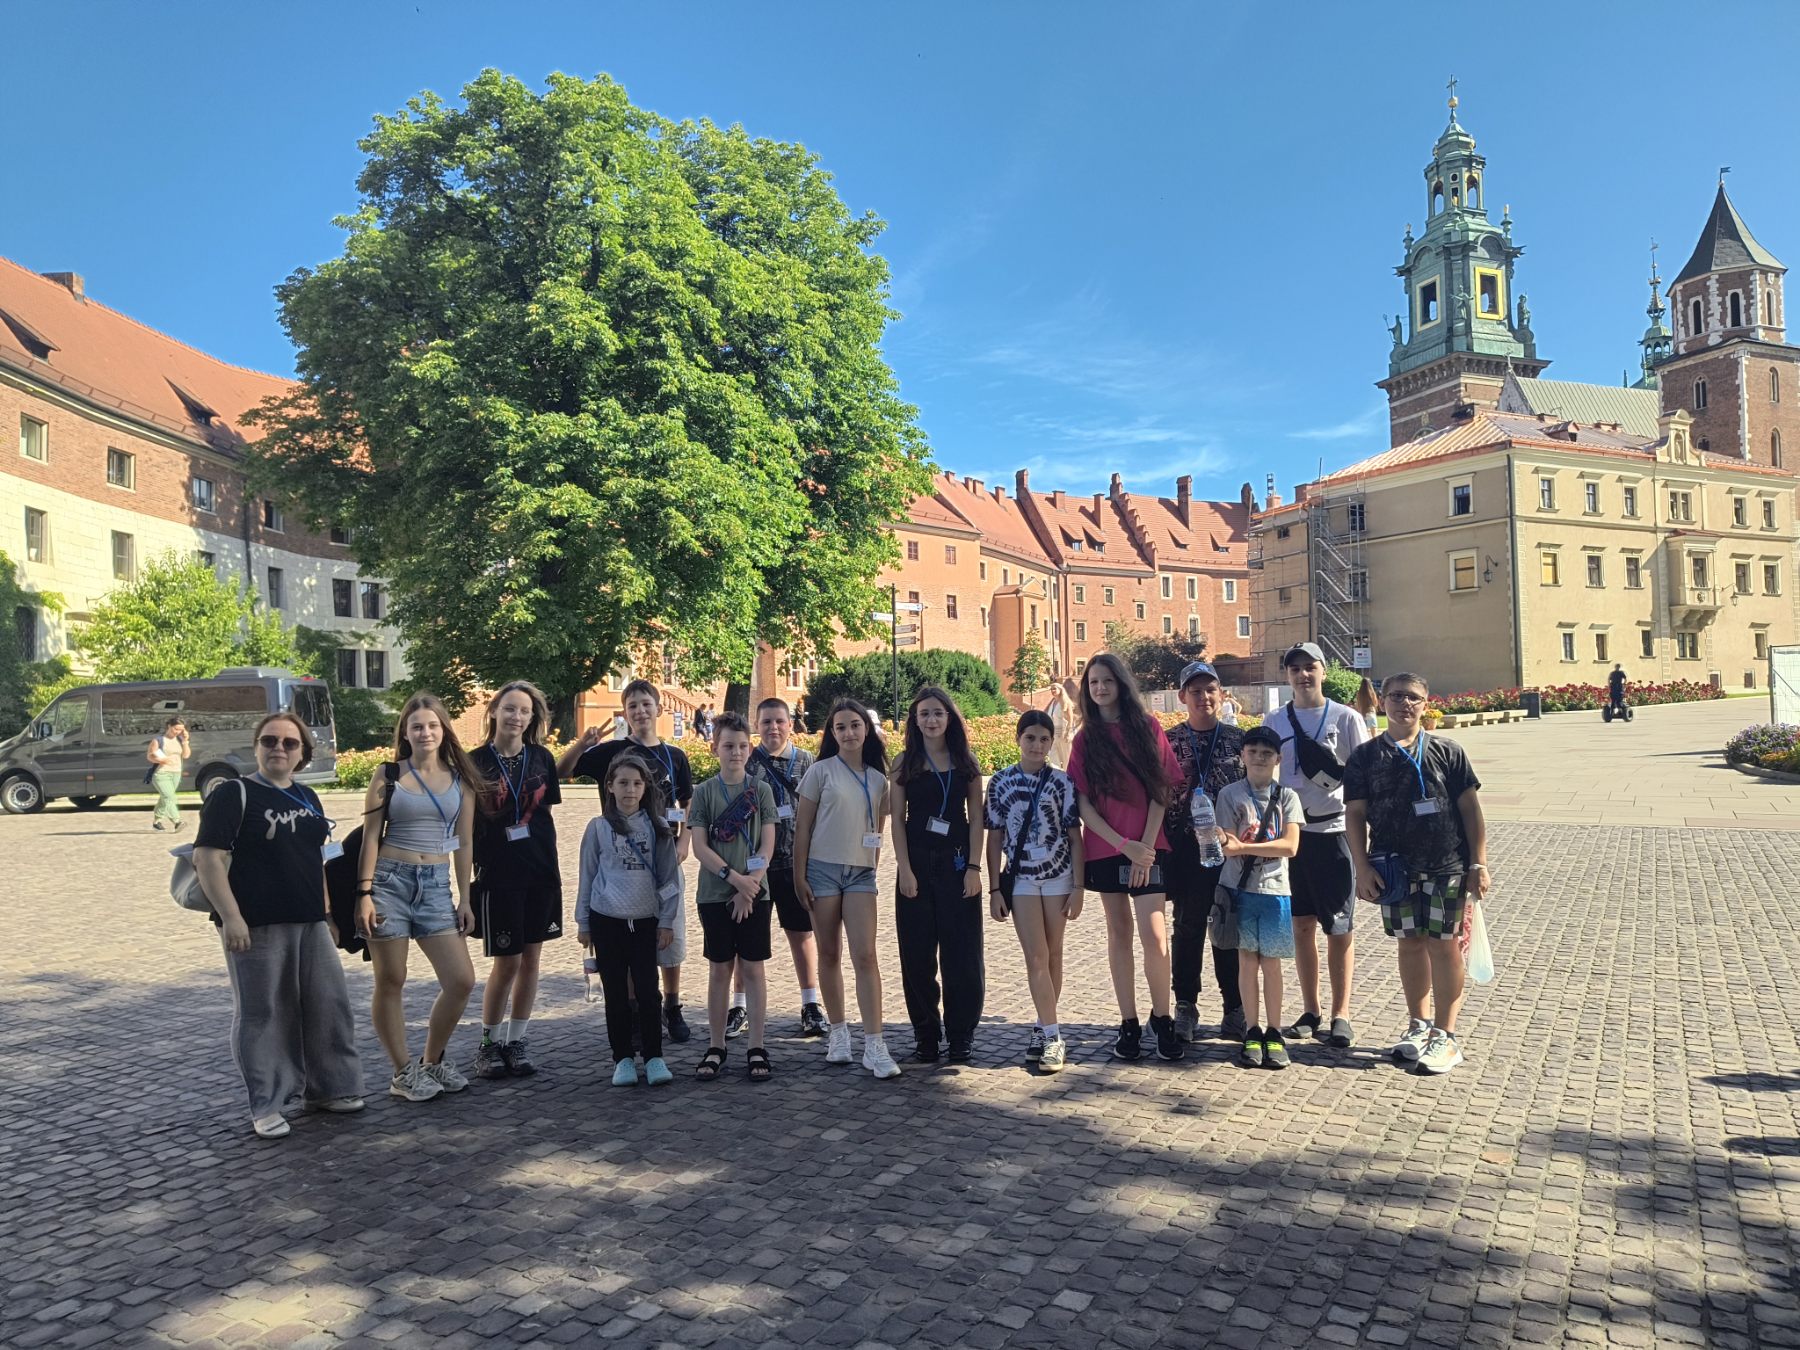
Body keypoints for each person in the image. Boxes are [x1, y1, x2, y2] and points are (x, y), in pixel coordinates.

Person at [193, 712, 364, 1137]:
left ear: (303, 752)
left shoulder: (308, 796)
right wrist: (232, 917)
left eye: (290, 743)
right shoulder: (233, 793)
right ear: (256, 746)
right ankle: (267, 1103)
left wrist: (328, 915)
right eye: (269, 741)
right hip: (255, 923)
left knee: (329, 1004)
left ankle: (329, 1088)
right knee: (263, 1013)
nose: (279, 749)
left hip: (309, 919)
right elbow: (207, 858)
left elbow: (316, 860)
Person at [1344, 672, 1492, 1076]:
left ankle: (1446, 1035)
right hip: (1393, 868)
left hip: (1447, 865)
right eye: (1395, 696)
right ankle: (1419, 1024)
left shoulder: (1448, 751)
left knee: (1444, 946)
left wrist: (1478, 863)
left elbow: (1470, 809)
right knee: (1409, 944)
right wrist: (1362, 866)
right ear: (1382, 702)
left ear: (1425, 704)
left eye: (1412, 697)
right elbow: (1354, 814)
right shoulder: (1364, 757)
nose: (1403, 704)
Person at [354, 693, 479, 1103]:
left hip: (436, 885)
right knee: (392, 979)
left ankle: (432, 1060)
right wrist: (364, 894)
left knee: (461, 980)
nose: (425, 732)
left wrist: (465, 898)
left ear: (444, 730)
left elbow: (464, 841)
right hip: (389, 882)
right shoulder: (388, 774)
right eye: (417, 726)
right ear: (405, 733)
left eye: (432, 725)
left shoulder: (461, 779)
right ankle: (402, 1071)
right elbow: (371, 838)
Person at [560, 680, 695, 1043]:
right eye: (633, 705)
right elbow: (562, 772)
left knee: (670, 932)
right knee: (632, 936)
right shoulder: (612, 751)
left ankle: (672, 1004)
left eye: (646, 704)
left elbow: (687, 801)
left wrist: (685, 840)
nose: (640, 711)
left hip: (664, 857)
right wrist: (583, 744)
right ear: (625, 712)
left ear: (658, 709)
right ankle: (636, 1010)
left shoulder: (675, 756)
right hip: (622, 859)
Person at [1068, 653, 1184, 1063]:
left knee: (1155, 934)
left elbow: (1161, 790)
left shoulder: (1147, 727)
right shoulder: (1084, 739)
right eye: (1093, 682)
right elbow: (1082, 804)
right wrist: (1122, 845)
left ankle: (1163, 1018)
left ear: (1121, 684)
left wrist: (1143, 850)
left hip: (1149, 847)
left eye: (1107, 681)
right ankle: (1129, 1021)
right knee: (1119, 933)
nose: (1100, 688)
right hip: (1106, 848)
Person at [1262, 642, 1371, 1050]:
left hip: (1335, 833)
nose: (1303, 675)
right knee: (1301, 925)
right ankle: (1311, 1010)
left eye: (1310, 667)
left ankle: (1342, 1013)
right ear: (1287, 675)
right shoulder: (1275, 719)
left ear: (1323, 671)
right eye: (1295, 669)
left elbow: (1363, 775)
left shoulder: (1346, 717)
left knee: (1339, 928)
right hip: (1293, 838)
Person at [792, 699, 901, 1079]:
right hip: (821, 870)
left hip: (859, 874)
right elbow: (802, 827)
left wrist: (872, 863)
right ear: (832, 733)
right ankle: (838, 1033)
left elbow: (880, 827)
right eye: (841, 727)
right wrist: (799, 876)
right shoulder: (820, 771)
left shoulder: (878, 778)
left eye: (855, 725)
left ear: (866, 729)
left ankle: (875, 1043)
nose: (849, 732)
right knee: (829, 953)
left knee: (865, 955)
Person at [469, 681, 563, 1079]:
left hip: (540, 871)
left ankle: (517, 1040)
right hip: (498, 875)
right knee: (506, 963)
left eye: (524, 711)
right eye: (510, 708)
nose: (517, 717)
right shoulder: (474, 762)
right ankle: (488, 1044)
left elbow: (545, 812)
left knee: (531, 960)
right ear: (494, 711)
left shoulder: (541, 758)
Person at [889, 686, 987, 1064]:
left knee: (962, 955)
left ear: (950, 718)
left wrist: (975, 868)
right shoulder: (904, 762)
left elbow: (976, 818)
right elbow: (897, 820)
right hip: (916, 864)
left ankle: (961, 1034)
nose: (931, 720)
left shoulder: (965, 761)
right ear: (915, 720)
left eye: (938, 713)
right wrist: (904, 869)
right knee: (917, 956)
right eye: (924, 714)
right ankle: (926, 1033)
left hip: (957, 865)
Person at [984, 710, 1083, 1072]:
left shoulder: (1063, 782)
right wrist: (995, 888)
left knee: (1054, 954)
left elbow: (1075, 837)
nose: (1037, 746)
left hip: (1058, 876)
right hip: (1022, 878)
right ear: (1018, 739)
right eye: (1030, 738)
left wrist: (1079, 886)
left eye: (1044, 739)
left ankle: (1043, 1027)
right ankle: (1054, 1036)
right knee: (1036, 956)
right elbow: (994, 838)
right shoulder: (1000, 782)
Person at [577, 753, 679, 1086]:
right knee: (616, 993)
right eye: (622, 783)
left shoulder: (658, 827)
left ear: (645, 787)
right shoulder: (598, 827)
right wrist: (583, 922)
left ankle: (654, 1056)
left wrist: (667, 920)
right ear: (609, 786)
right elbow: (587, 875)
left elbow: (669, 878)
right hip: (607, 919)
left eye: (636, 783)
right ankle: (622, 1057)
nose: (630, 790)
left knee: (648, 991)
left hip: (645, 920)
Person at [689, 713, 779, 1082]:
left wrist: (750, 885)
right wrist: (735, 880)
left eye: (742, 746)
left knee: (754, 969)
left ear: (750, 749)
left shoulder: (761, 790)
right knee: (720, 969)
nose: (736, 752)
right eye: (728, 746)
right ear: (715, 748)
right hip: (715, 894)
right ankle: (716, 1045)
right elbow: (699, 847)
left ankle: (756, 1045)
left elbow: (768, 843)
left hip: (756, 893)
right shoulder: (704, 792)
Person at [1163, 661, 1248, 1044]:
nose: (1204, 697)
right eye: (1195, 691)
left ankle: (1235, 1007)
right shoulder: (1168, 741)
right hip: (1186, 848)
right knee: (1188, 927)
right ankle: (1186, 1005)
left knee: (1229, 927)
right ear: (1182, 696)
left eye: (1210, 689)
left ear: (1221, 693)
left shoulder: (1238, 740)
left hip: (1230, 847)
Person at [732, 698, 826, 1038]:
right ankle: (739, 1005)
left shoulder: (808, 762)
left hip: (795, 864)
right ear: (757, 726)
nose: (773, 727)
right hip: (754, 867)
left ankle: (810, 1003)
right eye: (766, 722)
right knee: (746, 938)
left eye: (779, 721)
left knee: (802, 935)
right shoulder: (747, 762)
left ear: (790, 725)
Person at [1214, 726, 1304, 1070]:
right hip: (1238, 890)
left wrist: (1244, 847)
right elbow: (1226, 844)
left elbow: (1290, 846)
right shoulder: (1230, 794)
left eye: (1267, 753)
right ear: (1243, 756)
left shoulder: (1288, 797)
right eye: (1252, 751)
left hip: (1275, 890)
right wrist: (1229, 843)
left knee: (1272, 964)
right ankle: (1252, 1029)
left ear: (1278, 758)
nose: (1259, 758)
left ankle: (1274, 1031)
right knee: (1247, 962)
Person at [147, 717, 190, 831]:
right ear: (169, 726)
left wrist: (185, 741)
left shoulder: (180, 740)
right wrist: (161, 760)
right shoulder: (158, 740)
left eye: (181, 730)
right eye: (176, 729)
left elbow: (186, 755)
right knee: (169, 796)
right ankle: (177, 821)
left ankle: (157, 821)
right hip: (161, 773)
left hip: (176, 773)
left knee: (165, 797)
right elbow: (150, 756)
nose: (178, 732)